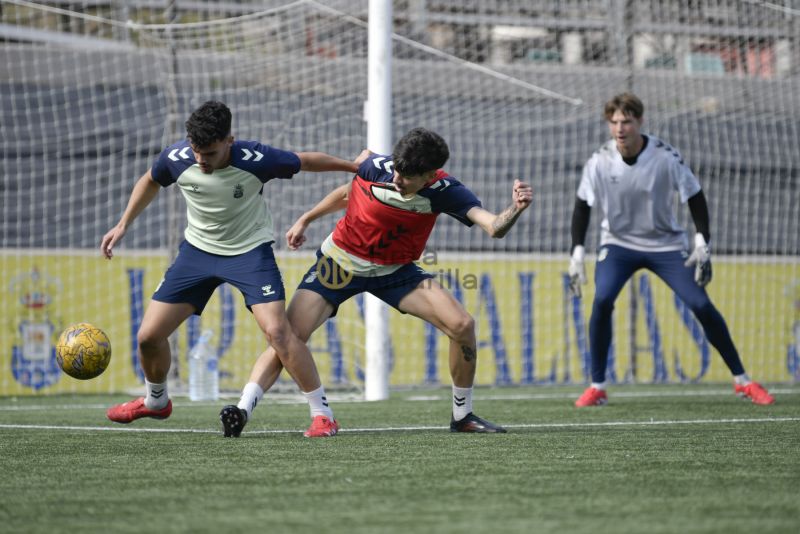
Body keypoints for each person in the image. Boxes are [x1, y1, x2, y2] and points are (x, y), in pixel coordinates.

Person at [219, 127, 533, 436]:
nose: (396, 179)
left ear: (429, 175)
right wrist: (306, 218)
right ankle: (243, 409)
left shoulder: (447, 191)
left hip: (395, 272)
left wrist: (515, 209)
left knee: (462, 325)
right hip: (338, 265)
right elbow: (347, 193)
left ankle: (462, 416)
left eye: (406, 177)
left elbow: (494, 226)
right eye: (396, 170)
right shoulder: (373, 166)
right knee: (287, 335)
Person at [101, 100, 359, 436]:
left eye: (209, 153)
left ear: (229, 141)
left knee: (279, 332)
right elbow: (150, 179)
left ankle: (322, 414)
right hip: (196, 254)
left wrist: (353, 167)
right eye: (196, 151)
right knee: (148, 337)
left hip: (249, 253)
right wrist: (123, 223)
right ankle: (156, 401)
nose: (201, 160)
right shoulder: (176, 158)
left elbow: (305, 160)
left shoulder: (256, 159)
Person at [568, 92, 774, 407]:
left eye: (627, 121)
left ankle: (743, 381)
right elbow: (582, 206)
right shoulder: (599, 161)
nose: (620, 128)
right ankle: (598, 386)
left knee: (700, 304)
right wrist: (577, 252)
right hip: (618, 245)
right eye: (614, 122)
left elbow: (695, 195)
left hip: (665, 246)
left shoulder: (665, 156)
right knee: (602, 299)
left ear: (640, 121)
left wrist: (702, 240)